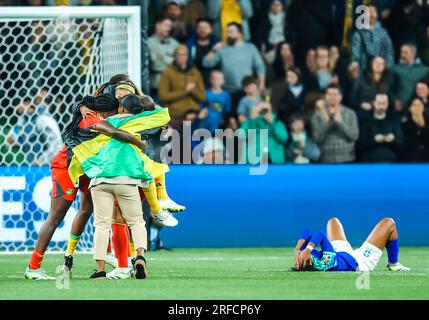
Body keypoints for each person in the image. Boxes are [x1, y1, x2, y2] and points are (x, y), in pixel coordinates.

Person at [24, 94, 147, 280]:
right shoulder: (93, 119)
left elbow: (123, 120)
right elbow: (114, 131)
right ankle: (33, 267)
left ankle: (73, 256)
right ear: (104, 112)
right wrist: (139, 142)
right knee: (56, 216)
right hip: (66, 167)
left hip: (88, 170)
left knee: (88, 209)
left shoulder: (95, 115)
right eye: (113, 113)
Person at [293, 217, 410, 272]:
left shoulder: (305, 258)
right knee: (389, 223)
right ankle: (393, 264)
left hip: (340, 253)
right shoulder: (325, 263)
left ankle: (393, 264)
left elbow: (307, 232)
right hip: (359, 261)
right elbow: (321, 234)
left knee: (332, 221)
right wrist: (308, 250)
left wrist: (298, 251)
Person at [202, 22, 266, 110]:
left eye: (231, 32)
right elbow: (206, 63)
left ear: (240, 33)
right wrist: (213, 50)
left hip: (247, 90)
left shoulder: (250, 47)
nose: (228, 34)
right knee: (229, 117)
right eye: (227, 32)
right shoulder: (222, 49)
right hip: (227, 91)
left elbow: (260, 66)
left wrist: (261, 84)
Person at [158, 44, 206, 128]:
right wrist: (185, 91)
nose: (181, 57)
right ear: (175, 57)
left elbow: (202, 97)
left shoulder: (195, 73)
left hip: (192, 115)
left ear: (187, 56)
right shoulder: (168, 73)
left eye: (184, 55)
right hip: (175, 115)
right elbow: (163, 96)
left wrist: (193, 90)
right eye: (179, 55)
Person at [310, 84, 359, 163]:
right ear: (325, 97)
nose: (332, 97)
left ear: (340, 97)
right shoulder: (317, 115)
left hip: (347, 159)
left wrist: (340, 123)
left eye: (335, 94)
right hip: (326, 160)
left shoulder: (350, 113)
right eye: (329, 94)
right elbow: (317, 139)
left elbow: (354, 136)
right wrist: (328, 122)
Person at [358, 93, 404, 163]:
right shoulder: (366, 120)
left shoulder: (394, 120)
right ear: (374, 103)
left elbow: (401, 142)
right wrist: (373, 140)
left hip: (391, 160)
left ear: (388, 104)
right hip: (370, 160)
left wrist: (393, 139)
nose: (382, 106)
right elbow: (360, 143)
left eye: (384, 103)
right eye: (379, 103)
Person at [351, 3, 395, 71]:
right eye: (369, 12)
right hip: (364, 71)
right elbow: (355, 54)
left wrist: (388, 68)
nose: (372, 15)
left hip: (381, 70)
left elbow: (389, 52)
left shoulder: (384, 33)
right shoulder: (358, 34)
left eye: (374, 12)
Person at [391, 43, 429, 114]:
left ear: (413, 53)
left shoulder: (425, 70)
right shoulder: (394, 69)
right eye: (401, 52)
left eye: (405, 52)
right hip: (400, 106)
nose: (402, 55)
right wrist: (394, 100)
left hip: (418, 108)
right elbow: (389, 87)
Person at [148, 16, 179, 98]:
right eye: (166, 25)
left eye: (170, 26)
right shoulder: (148, 42)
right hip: (155, 85)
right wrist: (170, 59)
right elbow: (154, 63)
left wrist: (162, 58)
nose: (169, 29)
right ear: (158, 25)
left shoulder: (174, 43)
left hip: (172, 84)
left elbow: (178, 62)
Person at [186, 18, 220, 87]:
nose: (202, 30)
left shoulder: (218, 44)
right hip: (194, 82)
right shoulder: (189, 44)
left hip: (214, 84)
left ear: (211, 30)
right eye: (199, 27)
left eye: (205, 27)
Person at [198, 70, 231, 135]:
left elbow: (227, 111)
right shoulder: (205, 93)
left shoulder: (226, 95)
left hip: (218, 126)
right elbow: (200, 108)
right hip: (204, 125)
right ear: (210, 80)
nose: (216, 81)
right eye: (214, 78)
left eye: (219, 79)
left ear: (223, 81)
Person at [402, 97, 429, 162]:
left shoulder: (427, 121)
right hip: (411, 158)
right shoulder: (404, 123)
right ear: (410, 108)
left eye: (419, 105)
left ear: (423, 108)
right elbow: (406, 143)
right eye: (414, 105)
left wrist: (423, 126)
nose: (417, 108)